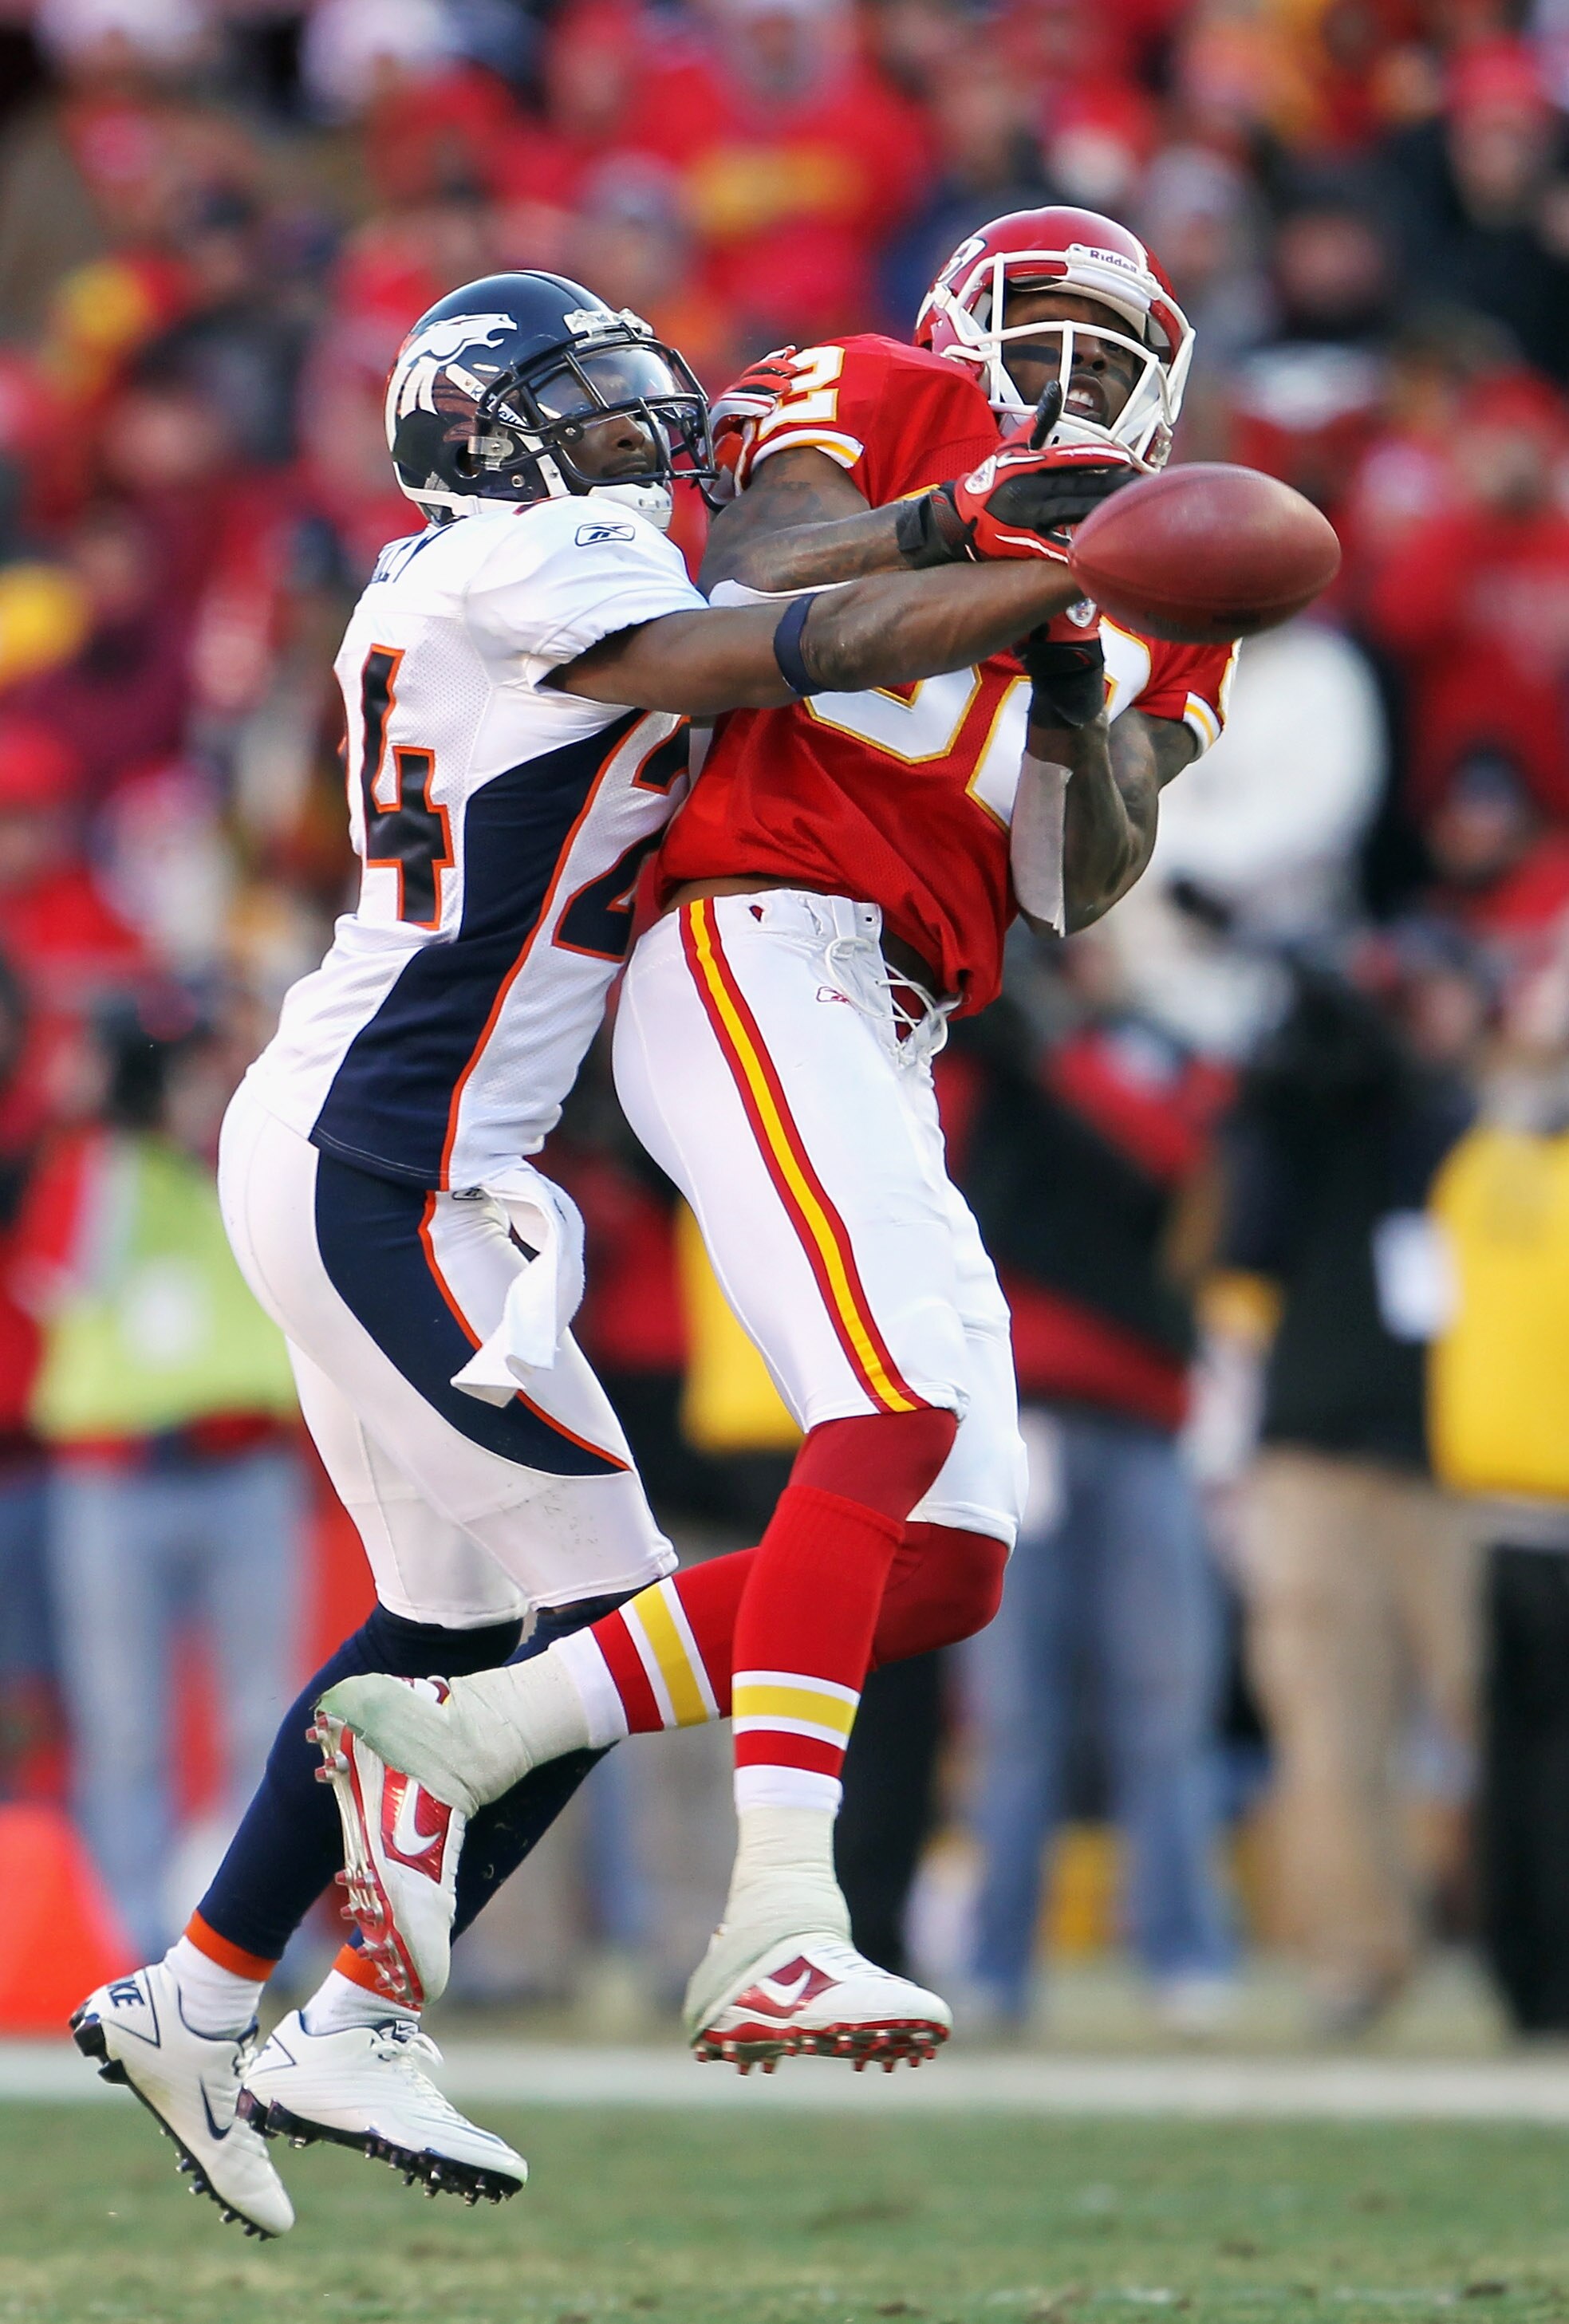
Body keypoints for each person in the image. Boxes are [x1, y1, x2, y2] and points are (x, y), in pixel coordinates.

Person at [69, 265, 1129, 2237]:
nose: (646, 436)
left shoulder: (490, 565)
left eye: (642, 401)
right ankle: (362, 2020)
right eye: (595, 404)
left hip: (388, 1149)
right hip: (390, 1157)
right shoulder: (521, 562)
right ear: (486, 432)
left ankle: (198, 1996)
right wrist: (983, 542)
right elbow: (771, 650)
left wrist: (987, 580)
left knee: (458, 1625)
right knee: (588, 1616)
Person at [317, 206, 1237, 2074]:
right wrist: (989, 532)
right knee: (886, 1415)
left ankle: (476, 1728)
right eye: (1036, 328)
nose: (1067, 372)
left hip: (897, 1004)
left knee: (950, 1553)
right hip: (760, 925)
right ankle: (781, 1917)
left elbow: (1080, 872)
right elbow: (762, 575)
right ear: (961, 325)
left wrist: (1080, 677)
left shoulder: (1164, 576)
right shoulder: (882, 396)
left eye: (1103, 342)